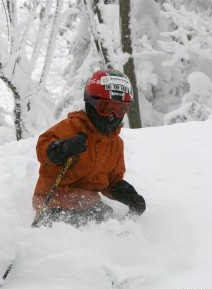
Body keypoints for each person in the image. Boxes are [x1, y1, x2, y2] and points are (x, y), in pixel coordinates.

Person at [32, 69, 146, 227]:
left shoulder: (115, 143)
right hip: (55, 201)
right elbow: (42, 147)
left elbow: (111, 181)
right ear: (91, 103)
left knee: (106, 220)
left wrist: (129, 195)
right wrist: (62, 148)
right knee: (93, 221)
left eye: (119, 109)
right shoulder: (72, 127)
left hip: (86, 203)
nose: (112, 115)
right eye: (107, 108)